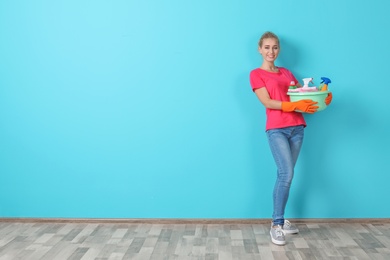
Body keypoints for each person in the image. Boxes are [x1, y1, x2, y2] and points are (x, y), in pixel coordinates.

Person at [249, 31, 332, 245]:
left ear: (279, 49)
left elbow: (300, 95)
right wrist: (295, 105)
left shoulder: (286, 73)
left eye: (275, 47)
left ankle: (281, 218)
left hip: (297, 128)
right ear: (260, 49)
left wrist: (322, 96)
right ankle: (276, 224)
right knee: (286, 173)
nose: (271, 51)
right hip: (277, 129)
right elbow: (267, 102)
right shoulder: (256, 74)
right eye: (267, 47)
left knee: (286, 175)